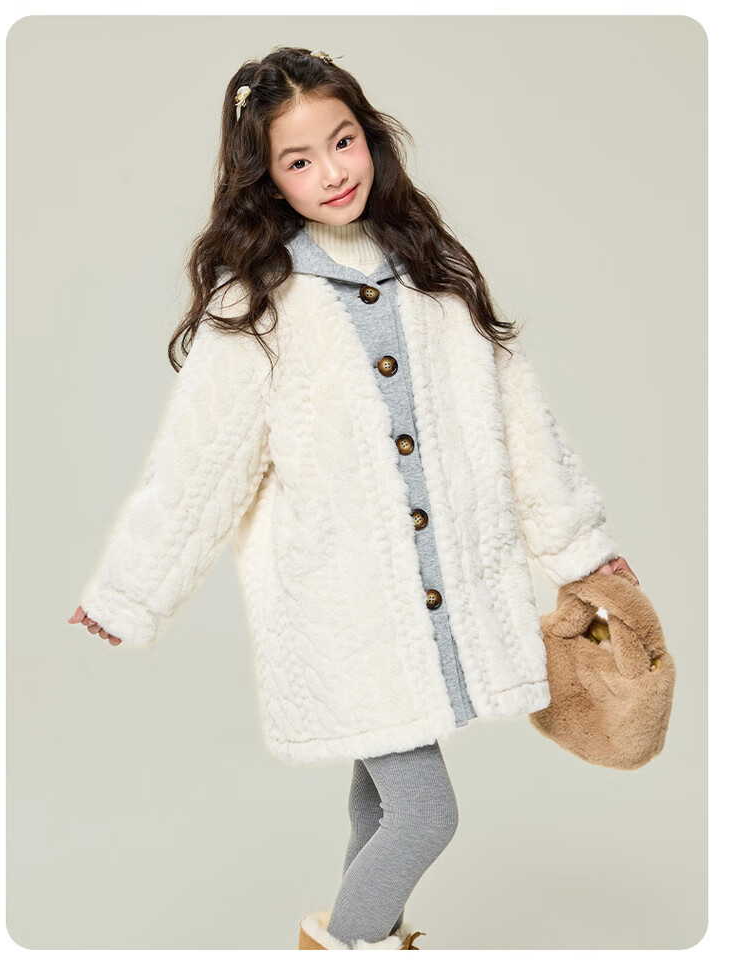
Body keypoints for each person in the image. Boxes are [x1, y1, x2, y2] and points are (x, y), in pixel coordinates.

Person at [68, 46, 638, 950]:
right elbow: (198, 463)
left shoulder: (437, 269)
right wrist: (130, 593)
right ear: (267, 178)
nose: (332, 172)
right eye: (299, 160)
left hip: (443, 601)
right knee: (425, 814)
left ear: (370, 135)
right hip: (346, 612)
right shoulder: (260, 303)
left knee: (378, 807)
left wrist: (580, 549)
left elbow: (521, 422)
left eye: (343, 142)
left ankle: (365, 940)